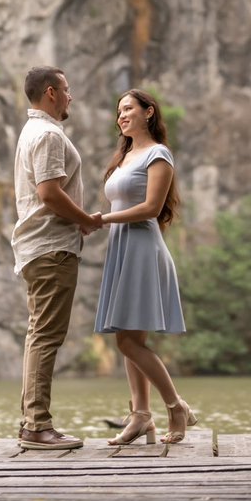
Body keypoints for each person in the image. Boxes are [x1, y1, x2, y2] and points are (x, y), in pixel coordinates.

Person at [93, 87, 196, 447]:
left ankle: (175, 406)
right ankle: (141, 417)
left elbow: (152, 207)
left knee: (127, 341)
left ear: (148, 112)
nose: (121, 116)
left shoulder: (158, 154)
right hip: (122, 246)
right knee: (128, 337)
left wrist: (102, 219)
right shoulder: (124, 156)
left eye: (128, 109)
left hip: (141, 247)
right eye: (118, 111)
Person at [12, 65, 102, 451]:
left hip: (40, 246)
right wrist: (85, 220)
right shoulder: (48, 134)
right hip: (51, 246)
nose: (71, 96)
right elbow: (49, 193)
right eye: (66, 89)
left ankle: (32, 422)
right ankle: (36, 425)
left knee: (39, 334)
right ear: (50, 93)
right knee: (46, 336)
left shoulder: (33, 131)